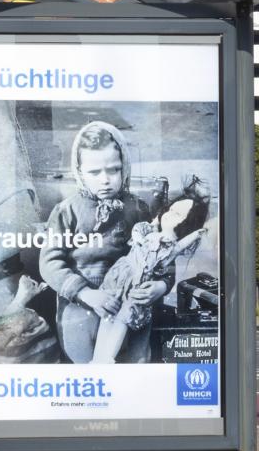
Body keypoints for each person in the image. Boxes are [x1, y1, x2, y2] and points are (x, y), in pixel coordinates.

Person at [39, 121, 172, 364]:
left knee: (133, 369)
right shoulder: (67, 211)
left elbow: (161, 255)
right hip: (82, 308)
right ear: (79, 171)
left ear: (125, 168)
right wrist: (84, 293)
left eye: (113, 170)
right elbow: (50, 263)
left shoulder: (137, 209)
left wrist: (160, 287)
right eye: (94, 172)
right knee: (87, 372)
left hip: (131, 305)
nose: (105, 180)